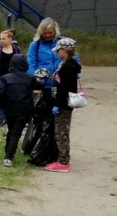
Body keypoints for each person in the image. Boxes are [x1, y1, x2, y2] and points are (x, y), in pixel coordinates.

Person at [45, 38, 81, 173]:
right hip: (64, 103)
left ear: (65, 50)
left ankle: (63, 162)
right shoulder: (68, 64)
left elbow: (64, 88)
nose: (57, 53)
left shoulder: (67, 67)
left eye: (59, 50)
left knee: (61, 133)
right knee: (62, 132)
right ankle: (62, 159)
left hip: (63, 105)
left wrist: (58, 105)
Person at [0, 55, 36, 167]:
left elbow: (0, 94)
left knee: (11, 130)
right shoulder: (30, 78)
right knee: (16, 132)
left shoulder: (6, 78)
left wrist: (3, 104)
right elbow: (39, 85)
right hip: (24, 110)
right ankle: (8, 157)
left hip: (10, 109)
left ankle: (7, 152)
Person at [0, 29, 21, 127]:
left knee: (11, 98)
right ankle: (2, 118)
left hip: (12, 77)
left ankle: (10, 118)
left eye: (3, 39)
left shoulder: (16, 50)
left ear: (10, 39)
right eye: (0, 39)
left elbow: (20, 62)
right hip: (0, 77)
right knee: (0, 97)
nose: (1, 41)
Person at [25, 18, 63, 91]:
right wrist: (33, 81)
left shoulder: (62, 43)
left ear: (55, 30)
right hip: (41, 85)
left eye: (50, 32)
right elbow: (30, 64)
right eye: (45, 33)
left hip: (61, 83)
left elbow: (73, 60)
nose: (48, 35)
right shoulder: (35, 45)